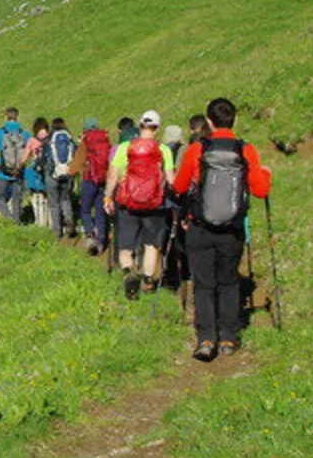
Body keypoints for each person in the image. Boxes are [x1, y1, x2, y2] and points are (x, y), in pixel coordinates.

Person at [173, 97, 272, 360]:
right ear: (235, 119)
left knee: (204, 284)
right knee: (229, 282)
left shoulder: (197, 149)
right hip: (232, 229)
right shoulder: (245, 150)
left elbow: (180, 187)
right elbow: (261, 190)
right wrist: (267, 174)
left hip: (200, 226)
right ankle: (229, 337)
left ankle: (206, 338)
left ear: (208, 121)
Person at [104, 110, 176, 300]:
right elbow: (171, 180)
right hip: (155, 205)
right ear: (157, 128)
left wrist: (108, 197)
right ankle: (148, 282)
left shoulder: (125, 147)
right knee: (151, 245)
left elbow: (113, 175)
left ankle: (129, 272)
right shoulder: (164, 150)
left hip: (128, 204)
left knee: (126, 247)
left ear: (140, 125)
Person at [0, 107, 29, 221]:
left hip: (4, 173)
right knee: (17, 199)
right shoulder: (24, 134)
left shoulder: (0, 134)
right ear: (17, 117)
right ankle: (16, 221)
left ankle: (8, 219)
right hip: (19, 172)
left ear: (6, 118)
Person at [77, 118, 113, 255]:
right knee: (100, 211)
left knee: (85, 210)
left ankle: (89, 235)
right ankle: (101, 241)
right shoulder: (106, 140)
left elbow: (78, 162)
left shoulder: (86, 142)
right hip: (104, 180)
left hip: (89, 179)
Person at [44, 116, 78, 241]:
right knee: (65, 199)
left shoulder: (50, 140)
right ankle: (69, 221)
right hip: (67, 173)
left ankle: (57, 232)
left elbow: (45, 157)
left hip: (53, 175)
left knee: (54, 204)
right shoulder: (69, 139)